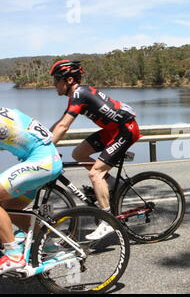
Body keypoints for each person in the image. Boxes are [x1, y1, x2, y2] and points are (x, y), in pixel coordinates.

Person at [49, 60, 142, 240]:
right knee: (78, 154)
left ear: (68, 80)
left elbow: (64, 126)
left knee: (95, 174)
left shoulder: (79, 94)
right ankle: (114, 184)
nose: (54, 84)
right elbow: (60, 122)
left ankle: (108, 220)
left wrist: (46, 146)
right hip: (112, 130)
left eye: (56, 80)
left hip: (126, 130)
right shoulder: (77, 94)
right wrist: (43, 137)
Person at [0, 107, 62, 274]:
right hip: (44, 160)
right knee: (9, 210)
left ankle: (13, 254)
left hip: (42, 162)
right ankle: (47, 244)